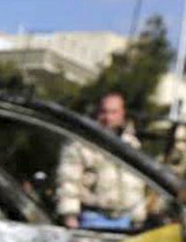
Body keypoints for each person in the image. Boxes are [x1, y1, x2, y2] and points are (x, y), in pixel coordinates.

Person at [55, 89, 149, 231]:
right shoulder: (80, 144)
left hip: (126, 220)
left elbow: (137, 183)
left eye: (114, 112)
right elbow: (68, 180)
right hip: (93, 218)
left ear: (122, 113)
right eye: (104, 112)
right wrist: (69, 216)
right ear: (97, 112)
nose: (108, 117)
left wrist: (139, 216)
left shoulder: (132, 143)